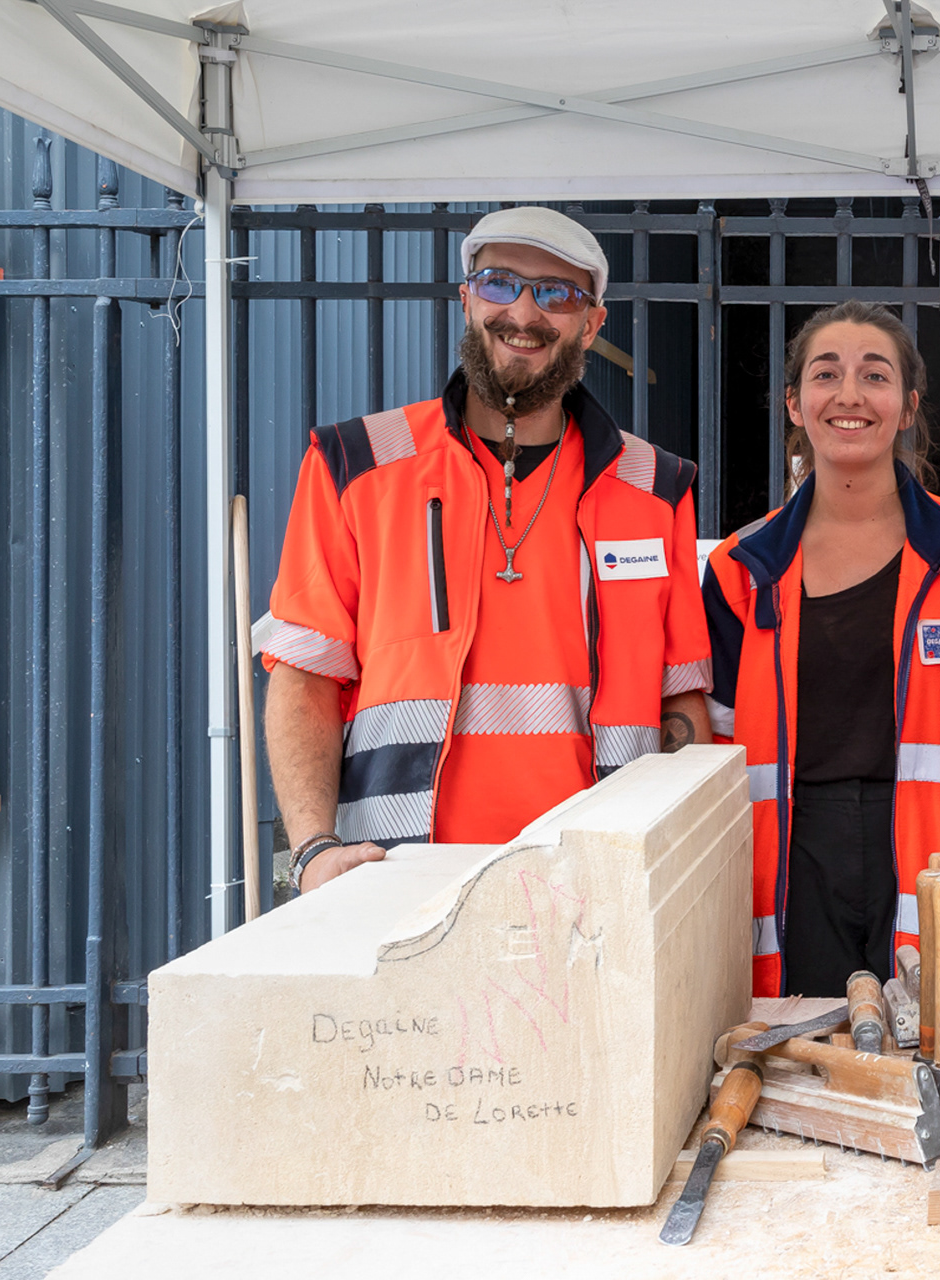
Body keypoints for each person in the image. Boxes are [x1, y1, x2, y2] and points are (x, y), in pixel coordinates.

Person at [260, 206, 712, 894]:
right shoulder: (356, 464)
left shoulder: (655, 487)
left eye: (558, 294)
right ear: (466, 298)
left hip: (599, 884)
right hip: (397, 875)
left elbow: (681, 702)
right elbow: (304, 678)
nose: (524, 313)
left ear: (592, 324)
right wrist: (314, 849)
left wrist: (686, 867)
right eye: (501, 283)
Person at [704, 301, 940, 998]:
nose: (851, 395)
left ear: (908, 404)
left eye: (875, 375)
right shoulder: (743, 568)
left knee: (936, 1046)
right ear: (796, 405)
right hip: (794, 853)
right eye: (827, 374)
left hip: (937, 844)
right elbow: (711, 750)